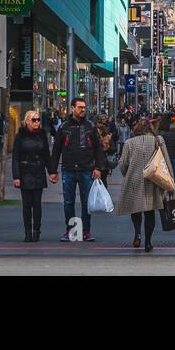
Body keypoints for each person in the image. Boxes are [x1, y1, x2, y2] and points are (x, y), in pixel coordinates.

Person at [47, 97, 104, 242]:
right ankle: (71, 231)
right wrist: (53, 171)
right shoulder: (64, 127)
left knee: (87, 202)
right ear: (72, 108)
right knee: (68, 202)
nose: (83, 110)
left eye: (84, 107)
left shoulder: (90, 126)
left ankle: (86, 231)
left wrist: (98, 168)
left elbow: (99, 148)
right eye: (80, 107)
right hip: (69, 169)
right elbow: (56, 150)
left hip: (87, 169)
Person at [114, 118, 172, 253]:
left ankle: (137, 233)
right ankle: (148, 242)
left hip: (134, 179)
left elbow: (122, 164)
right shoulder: (158, 140)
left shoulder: (129, 143)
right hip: (153, 180)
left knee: (136, 209)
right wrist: (170, 182)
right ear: (151, 128)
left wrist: (127, 174)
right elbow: (166, 161)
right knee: (150, 211)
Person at [10, 110, 50, 241]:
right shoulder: (20, 135)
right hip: (25, 172)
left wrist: (52, 172)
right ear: (27, 121)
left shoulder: (42, 134)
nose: (37, 122)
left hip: (38, 171)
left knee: (37, 203)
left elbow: (46, 155)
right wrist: (16, 176)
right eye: (34, 120)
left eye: (38, 119)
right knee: (27, 204)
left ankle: (37, 231)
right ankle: (27, 232)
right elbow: (15, 157)